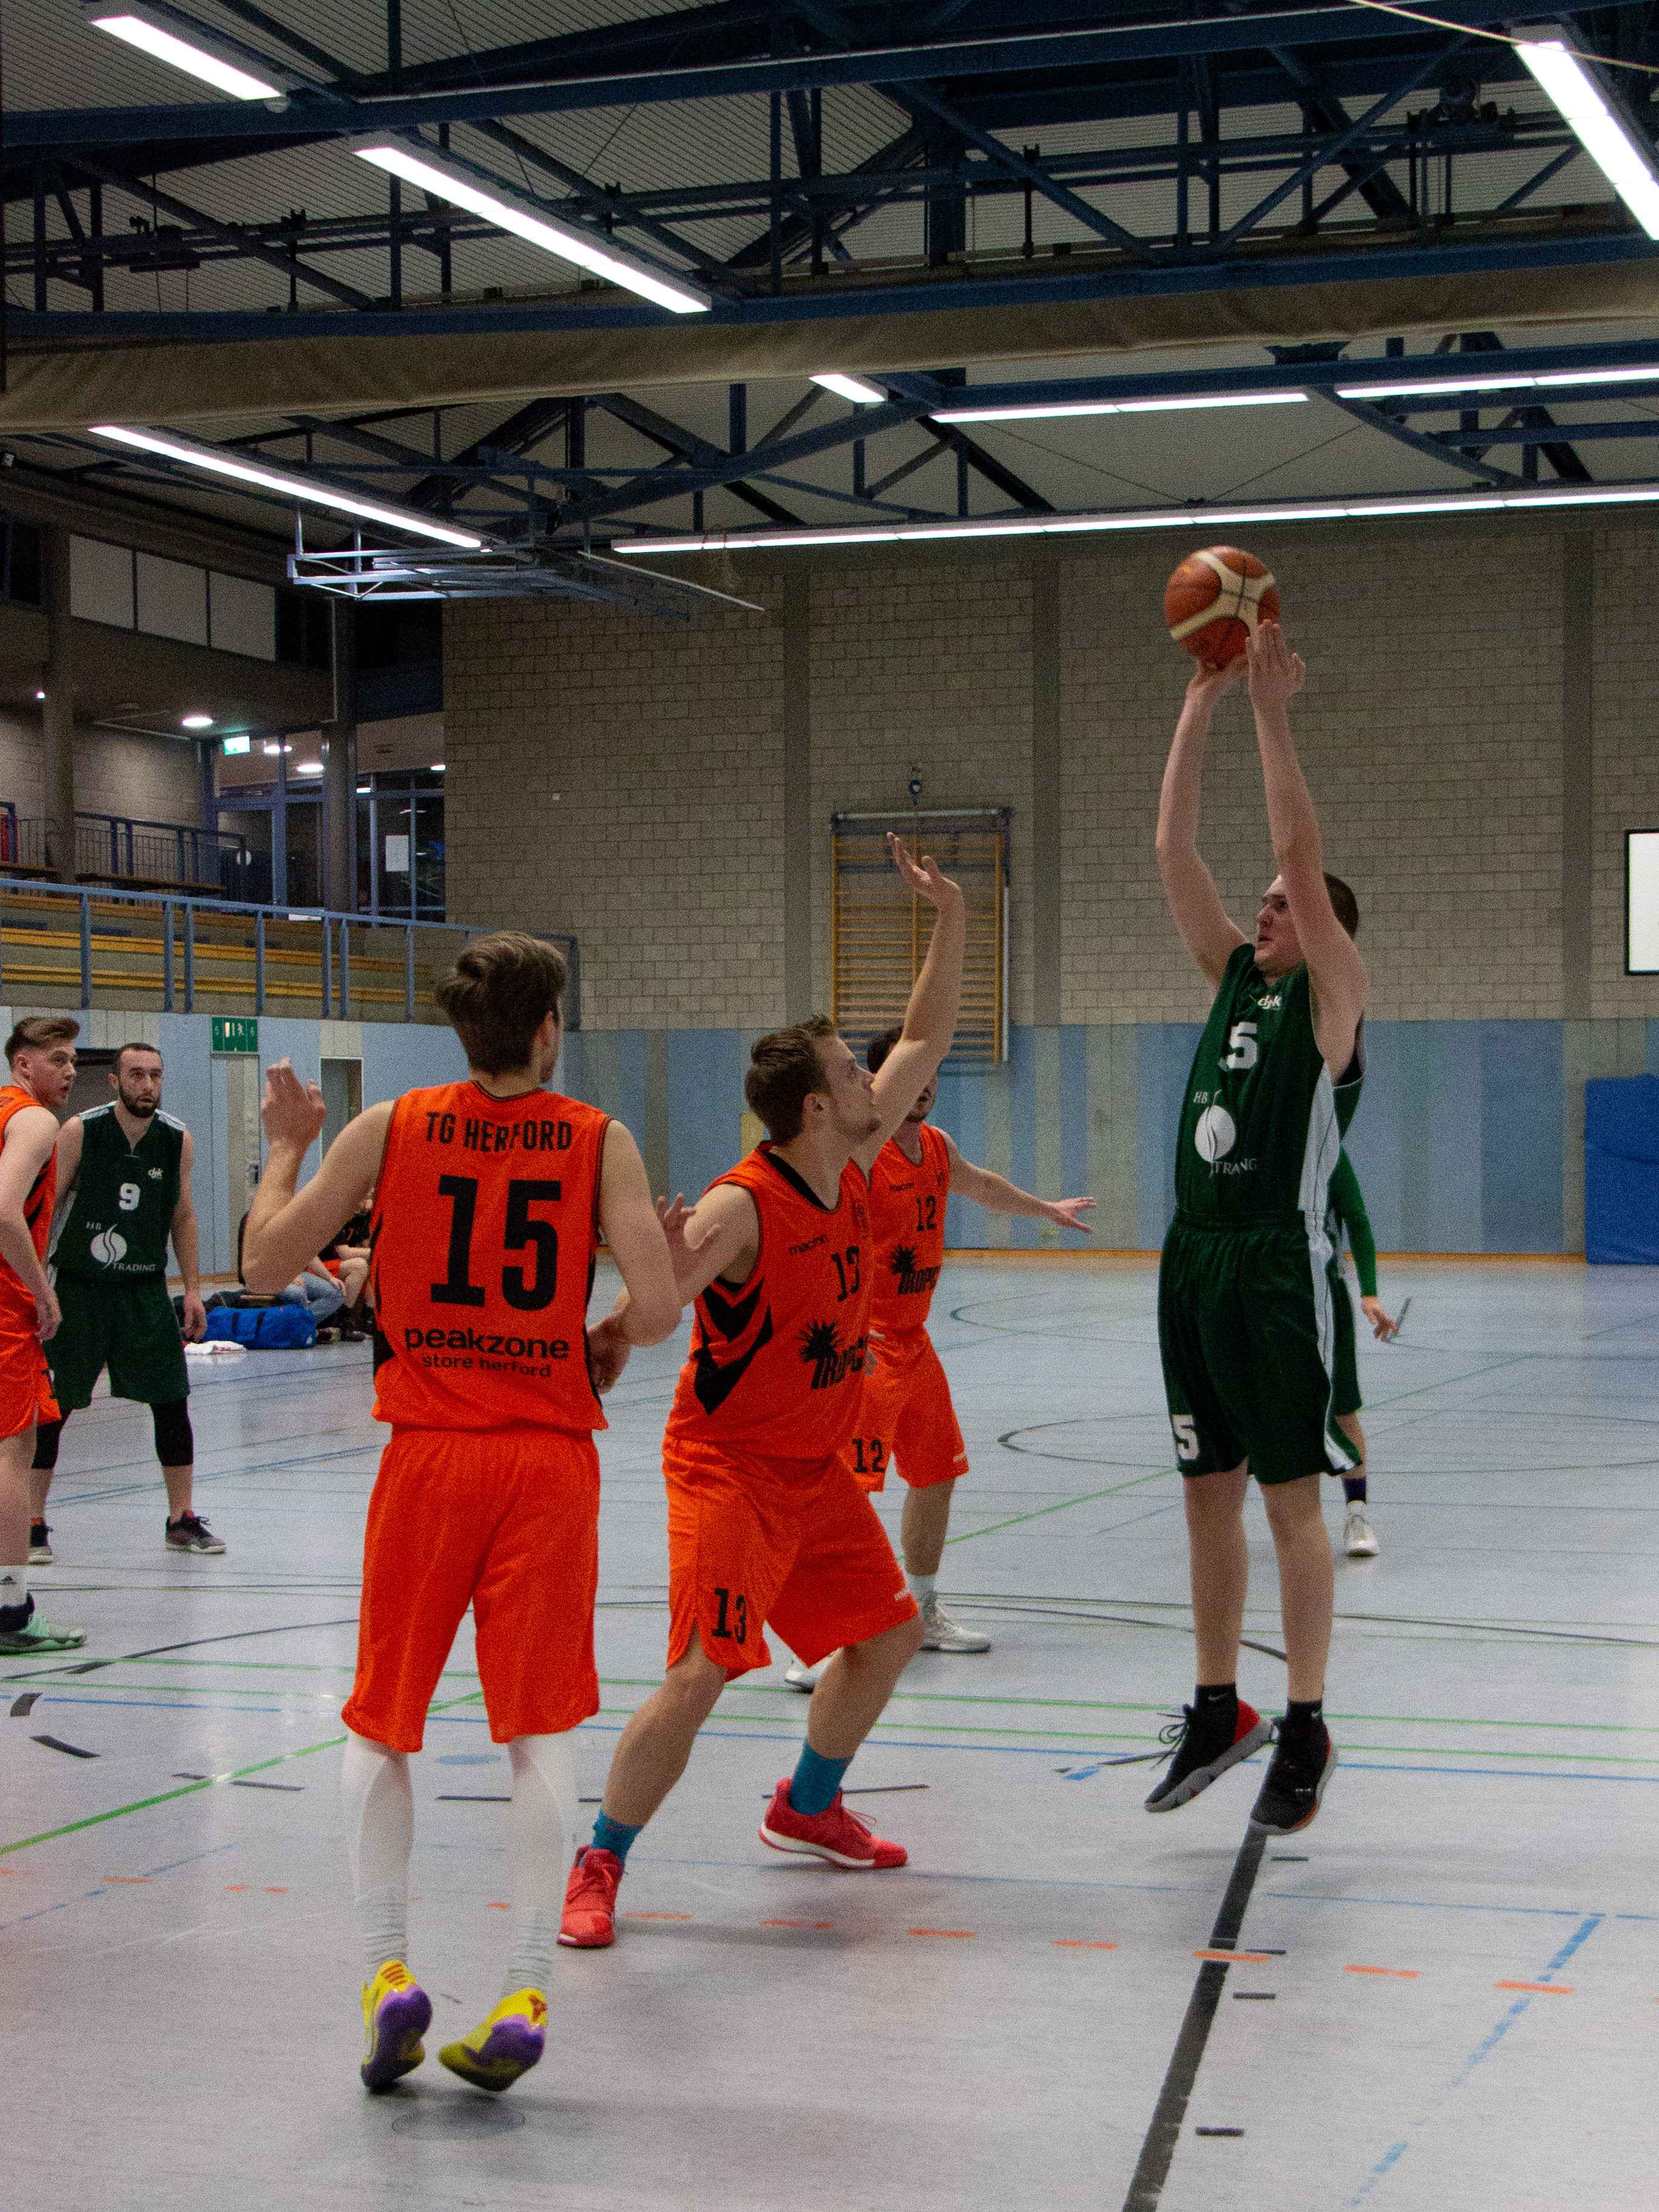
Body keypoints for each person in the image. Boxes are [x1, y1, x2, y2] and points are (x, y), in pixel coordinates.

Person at [242, 933, 679, 2096]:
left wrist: (283, 1149)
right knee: (539, 1733)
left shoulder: (388, 1127)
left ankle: (387, 1975)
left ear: (460, 1031)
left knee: (382, 1724)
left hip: (428, 1457)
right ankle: (526, 1989)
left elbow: (263, 1265)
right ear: (548, 1030)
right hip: (546, 1464)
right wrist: (607, 1333)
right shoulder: (599, 1139)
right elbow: (659, 1307)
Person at [560, 836, 965, 1951]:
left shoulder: (850, 1161)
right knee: (702, 1671)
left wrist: (951, 916)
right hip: (729, 1470)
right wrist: (626, 1307)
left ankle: (806, 1805)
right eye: (850, 1075)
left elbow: (926, 1036)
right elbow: (658, 1313)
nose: (874, 1083)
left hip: (811, 1469)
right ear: (815, 1107)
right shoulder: (745, 1202)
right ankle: (599, 1859)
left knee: (887, 1635)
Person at [1147, 623, 1367, 1836]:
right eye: (1266, 904)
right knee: (1204, 1495)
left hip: (1276, 1265)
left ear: (1328, 929)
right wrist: (1199, 699)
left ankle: (1307, 1721)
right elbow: (1173, 849)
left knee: (1289, 1502)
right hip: (1193, 1257)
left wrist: (1268, 713)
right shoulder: (1234, 973)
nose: (1266, 906)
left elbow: (1295, 847)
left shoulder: (1333, 999)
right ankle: (1215, 1704)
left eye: (1284, 905)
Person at [785, 1028, 1095, 1686]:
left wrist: (1045, 1209)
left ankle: (921, 1609)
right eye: (913, 1073)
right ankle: (830, 1632)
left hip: (914, 1342)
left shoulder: (935, 1146)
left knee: (936, 1473)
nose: (924, 1085)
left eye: (932, 1073)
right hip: (864, 1346)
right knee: (847, 1491)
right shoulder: (858, 1157)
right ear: (881, 1081)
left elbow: (980, 1185)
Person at [29, 1041, 216, 1564]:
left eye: (155, 1074)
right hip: (79, 1286)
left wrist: (193, 1288)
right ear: (114, 1081)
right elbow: (48, 1205)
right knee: (54, 1405)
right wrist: (38, 1285)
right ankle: (32, 1522)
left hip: (144, 1288)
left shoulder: (176, 1138)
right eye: (136, 1074)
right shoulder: (81, 1130)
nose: (147, 1084)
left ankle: (181, 1518)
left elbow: (183, 1215)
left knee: (172, 1400)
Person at [0, 1018, 85, 1653]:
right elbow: (4, 1210)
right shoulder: (34, 1120)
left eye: (73, 1060)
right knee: (13, 1451)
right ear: (22, 1064)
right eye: (58, 1059)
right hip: (6, 1305)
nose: (71, 1071)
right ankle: (10, 1610)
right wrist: (43, 1290)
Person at [1326, 1149, 1398, 1559]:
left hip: (1325, 1295)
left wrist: (1369, 1291)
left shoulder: (1329, 1151)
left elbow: (1358, 1220)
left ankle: (1357, 1513)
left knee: (1343, 1410)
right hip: (1267, 1293)